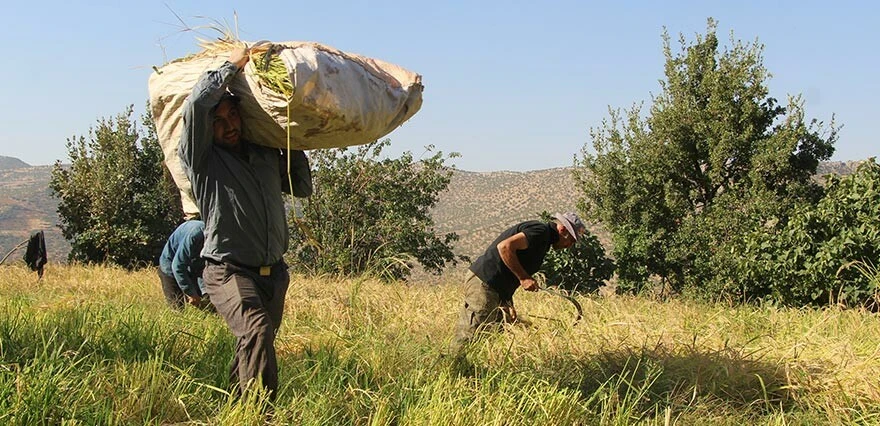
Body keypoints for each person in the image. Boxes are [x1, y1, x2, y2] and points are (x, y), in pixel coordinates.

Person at [178, 46, 312, 399]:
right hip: (229, 270)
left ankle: (236, 408)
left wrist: (287, 137)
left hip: (274, 273)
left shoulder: (263, 154)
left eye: (232, 116)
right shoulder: (203, 161)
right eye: (218, 122)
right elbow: (196, 107)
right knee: (257, 332)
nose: (228, 126)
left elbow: (300, 186)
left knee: (253, 344)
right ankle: (261, 416)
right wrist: (233, 64)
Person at [452, 212, 586, 349]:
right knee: (471, 336)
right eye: (571, 240)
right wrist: (524, 278)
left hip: (495, 288)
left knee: (496, 333)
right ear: (563, 230)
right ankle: (452, 366)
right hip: (485, 282)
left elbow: (509, 272)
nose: (570, 245)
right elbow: (504, 247)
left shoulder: (544, 241)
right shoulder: (540, 232)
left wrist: (507, 301)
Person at [158, 220, 207, 310]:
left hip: (191, 267)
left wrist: (205, 292)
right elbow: (177, 267)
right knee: (177, 308)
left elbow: (202, 269)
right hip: (170, 267)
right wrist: (192, 294)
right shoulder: (195, 235)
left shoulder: (216, 239)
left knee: (206, 303)